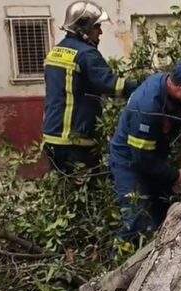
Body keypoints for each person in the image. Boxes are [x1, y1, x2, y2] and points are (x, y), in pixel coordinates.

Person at [109, 60, 181, 242]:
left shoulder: (171, 86)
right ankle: (125, 263)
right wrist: (174, 175)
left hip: (153, 155)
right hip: (130, 162)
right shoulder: (148, 108)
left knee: (162, 209)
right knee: (138, 223)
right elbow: (142, 159)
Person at [41, 1, 135, 174]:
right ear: (83, 28)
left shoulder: (54, 51)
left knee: (66, 190)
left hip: (52, 137)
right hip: (75, 141)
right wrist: (143, 88)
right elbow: (111, 84)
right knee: (87, 191)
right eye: (97, 26)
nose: (100, 31)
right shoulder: (86, 53)